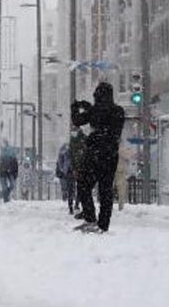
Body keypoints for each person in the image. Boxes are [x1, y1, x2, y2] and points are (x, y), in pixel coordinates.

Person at [71, 82, 125, 232]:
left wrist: (76, 108)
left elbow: (77, 120)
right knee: (106, 190)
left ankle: (90, 217)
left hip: (94, 154)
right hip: (111, 155)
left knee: (83, 184)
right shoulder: (119, 111)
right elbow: (111, 129)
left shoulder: (95, 111)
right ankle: (103, 224)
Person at [56, 142, 75, 214]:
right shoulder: (65, 152)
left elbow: (59, 162)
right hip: (69, 172)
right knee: (70, 189)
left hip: (68, 172)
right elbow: (59, 163)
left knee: (70, 189)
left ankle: (71, 205)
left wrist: (63, 169)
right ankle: (71, 204)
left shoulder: (63, 152)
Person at [113, 147, 130, 211]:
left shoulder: (123, 152)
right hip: (113, 172)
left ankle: (121, 207)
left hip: (121, 173)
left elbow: (127, 157)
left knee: (121, 191)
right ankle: (109, 206)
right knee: (109, 190)